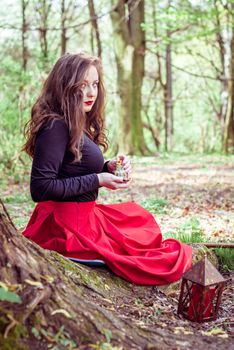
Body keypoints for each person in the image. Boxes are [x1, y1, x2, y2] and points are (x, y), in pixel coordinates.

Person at [22, 52, 192, 285]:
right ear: (65, 86)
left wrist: (107, 166)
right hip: (69, 228)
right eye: (82, 85)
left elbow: (71, 167)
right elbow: (41, 188)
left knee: (138, 220)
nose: (92, 92)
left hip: (87, 216)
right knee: (154, 256)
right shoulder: (55, 125)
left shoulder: (75, 121)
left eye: (95, 84)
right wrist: (98, 179)